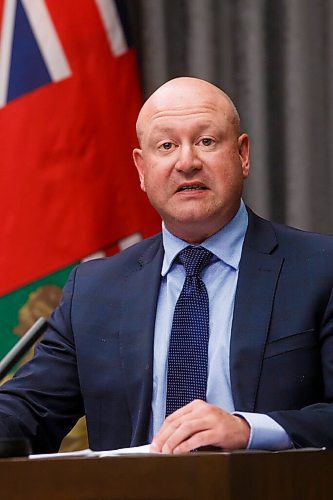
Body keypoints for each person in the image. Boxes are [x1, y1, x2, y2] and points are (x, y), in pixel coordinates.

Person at [1, 77, 333, 454]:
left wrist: (249, 429)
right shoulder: (94, 290)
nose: (187, 162)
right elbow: (29, 408)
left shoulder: (319, 270)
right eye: (166, 146)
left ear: (242, 155)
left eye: (206, 142)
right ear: (142, 170)